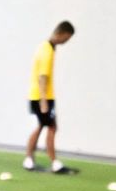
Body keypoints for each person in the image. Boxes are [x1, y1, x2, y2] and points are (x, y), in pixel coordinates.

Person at [24, 21, 78, 174]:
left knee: (43, 126)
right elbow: (42, 77)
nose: (66, 41)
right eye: (66, 38)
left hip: (41, 96)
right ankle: (53, 163)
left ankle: (30, 160)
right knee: (51, 127)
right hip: (42, 97)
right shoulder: (47, 50)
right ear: (60, 34)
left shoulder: (46, 47)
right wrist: (43, 101)